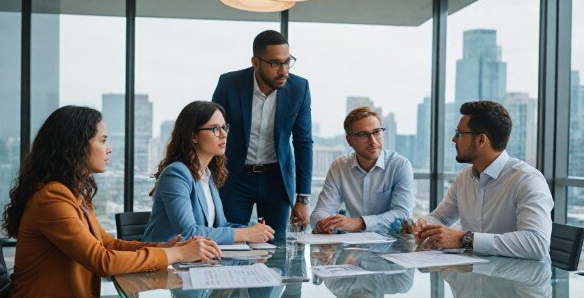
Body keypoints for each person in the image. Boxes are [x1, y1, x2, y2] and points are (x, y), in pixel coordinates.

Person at [0, 105, 220, 298]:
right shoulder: (52, 198)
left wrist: (162, 246)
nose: (109, 148)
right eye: (103, 140)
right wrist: (176, 254)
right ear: (76, 145)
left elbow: (108, 244)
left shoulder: (73, 194)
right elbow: (101, 261)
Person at [416, 101, 554, 260]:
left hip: (517, 280)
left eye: (460, 134)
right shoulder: (464, 178)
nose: (454, 139)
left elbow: (536, 244)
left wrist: (464, 239)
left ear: (481, 141)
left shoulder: (527, 180)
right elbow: (441, 217)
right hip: (473, 275)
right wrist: (424, 225)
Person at [212, 30, 313, 234]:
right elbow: (212, 132)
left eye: (288, 62)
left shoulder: (299, 88)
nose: (284, 71)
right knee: (229, 242)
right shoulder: (229, 84)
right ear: (255, 63)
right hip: (235, 177)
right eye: (276, 63)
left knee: (276, 248)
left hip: (275, 179)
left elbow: (303, 142)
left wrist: (302, 198)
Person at [142, 101, 275, 244]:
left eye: (224, 128)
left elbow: (221, 226)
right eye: (215, 129)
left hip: (198, 260)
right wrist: (246, 234)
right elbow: (189, 232)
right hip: (167, 262)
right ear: (194, 136)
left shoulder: (207, 175)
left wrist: (254, 231)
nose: (223, 134)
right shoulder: (176, 174)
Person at [311, 106, 414, 234]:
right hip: (354, 247)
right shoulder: (340, 166)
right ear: (349, 140)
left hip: (392, 244)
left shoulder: (399, 165)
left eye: (377, 132)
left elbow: (403, 214)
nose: (373, 141)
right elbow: (321, 211)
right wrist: (323, 224)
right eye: (363, 135)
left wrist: (360, 223)